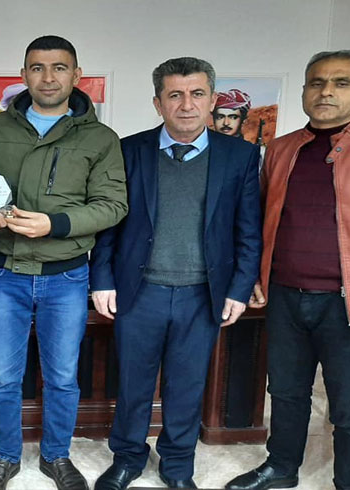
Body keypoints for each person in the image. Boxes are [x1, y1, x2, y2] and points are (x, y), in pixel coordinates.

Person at [225, 50, 350, 490]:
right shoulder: (281, 149)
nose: (326, 92)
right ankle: (281, 468)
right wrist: (256, 276)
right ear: (304, 90)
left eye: (341, 82)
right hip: (284, 296)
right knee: (285, 392)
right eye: (317, 83)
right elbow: (261, 220)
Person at [0, 35, 128, 490]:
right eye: (37, 68)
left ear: (77, 75)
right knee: (1, 376)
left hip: (66, 277)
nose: (48, 77)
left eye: (59, 67)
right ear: (24, 75)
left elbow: (113, 205)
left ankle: (56, 456)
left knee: (62, 377)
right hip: (3, 273)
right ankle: (5, 457)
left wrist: (55, 224)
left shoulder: (100, 138)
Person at [89, 57, 262, 490]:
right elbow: (109, 221)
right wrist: (101, 278)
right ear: (158, 103)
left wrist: (240, 288)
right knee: (133, 383)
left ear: (213, 100)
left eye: (197, 94)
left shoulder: (240, 156)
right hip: (138, 290)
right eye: (175, 95)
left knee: (187, 386)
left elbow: (248, 229)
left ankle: (178, 465)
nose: (187, 105)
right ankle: (128, 458)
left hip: (202, 293)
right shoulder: (128, 150)